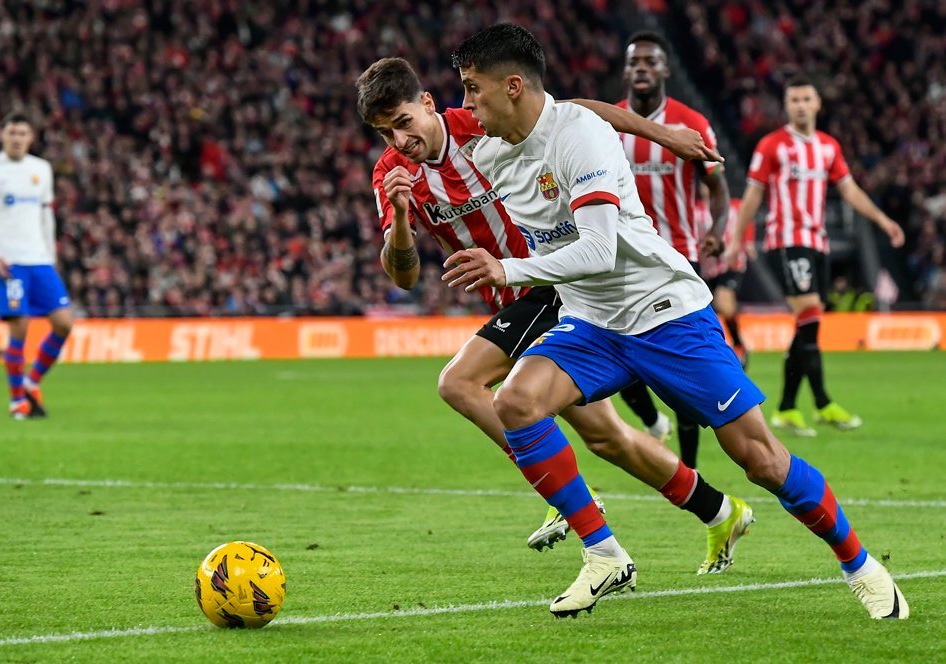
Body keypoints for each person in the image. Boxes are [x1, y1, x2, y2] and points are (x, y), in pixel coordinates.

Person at [446, 22, 908, 621]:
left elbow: (598, 251)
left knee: (761, 459)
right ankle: (604, 553)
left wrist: (505, 269)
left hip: (666, 313)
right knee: (516, 401)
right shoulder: (488, 144)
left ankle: (861, 566)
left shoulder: (581, 138)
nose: (466, 105)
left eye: (471, 89)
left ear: (512, 86)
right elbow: (455, 126)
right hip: (593, 322)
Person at [355, 57, 753, 575]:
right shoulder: (391, 175)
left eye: (404, 122)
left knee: (459, 382)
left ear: (427, 103)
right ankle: (721, 511)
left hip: (550, 279)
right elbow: (402, 275)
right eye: (386, 133)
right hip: (514, 299)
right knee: (607, 437)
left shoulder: (479, 122)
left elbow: (574, 113)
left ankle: (563, 495)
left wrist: (661, 135)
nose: (399, 140)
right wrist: (403, 221)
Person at [724, 76, 906, 437]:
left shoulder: (827, 147)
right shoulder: (772, 146)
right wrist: (735, 240)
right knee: (808, 313)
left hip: (817, 242)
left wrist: (883, 221)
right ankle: (822, 402)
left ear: (818, 103)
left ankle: (788, 408)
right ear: (787, 106)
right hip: (786, 240)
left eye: (807, 98)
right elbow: (753, 195)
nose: (801, 106)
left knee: (807, 323)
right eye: (794, 100)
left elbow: (850, 190)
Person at [609, 30, 732, 470]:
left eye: (649, 61)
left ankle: (690, 466)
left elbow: (717, 186)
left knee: (682, 362)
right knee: (613, 350)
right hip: (619, 257)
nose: (641, 68)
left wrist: (717, 227)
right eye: (633, 61)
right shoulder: (608, 123)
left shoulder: (690, 123)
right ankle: (649, 420)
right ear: (625, 72)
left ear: (664, 69)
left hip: (678, 254)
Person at [0, 111, 73, 420]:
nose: (17, 138)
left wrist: (50, 254)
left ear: (31, 138)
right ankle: (17, 402)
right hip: (9, 262)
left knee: (64, 323)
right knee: (20, 326)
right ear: (1, 135)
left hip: (40, 260)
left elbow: (46, 215)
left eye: (22, 133)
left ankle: (32, 382)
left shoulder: (41, 170)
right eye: (12, 132)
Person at [698, 193, 754, 368]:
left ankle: (738, 344)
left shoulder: (735, 205)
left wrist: (748, 242)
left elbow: (747, 219)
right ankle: (724, 347)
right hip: (707, 268)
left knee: (724, 303)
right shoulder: (697, 209)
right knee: (711, 309)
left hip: (731, 264)